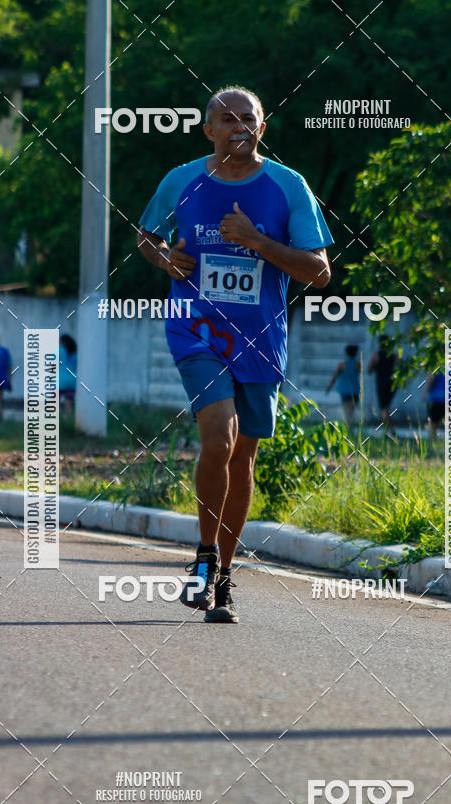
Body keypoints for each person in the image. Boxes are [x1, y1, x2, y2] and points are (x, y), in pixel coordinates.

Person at [137, 85, 333, 623]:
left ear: (262, 128)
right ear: (209, 130)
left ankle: (223, 576)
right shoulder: (181, 180)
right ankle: (202, 559)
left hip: (260, 337)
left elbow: (319, 272)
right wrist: (165, 260)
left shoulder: (289, 186)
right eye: (227, 119)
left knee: (243, 455)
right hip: (195, 329)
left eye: (249, 118)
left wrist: (255, 241)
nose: (239, 127)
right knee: (218, 434)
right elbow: (146, 238)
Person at [326, 345, 360, 428]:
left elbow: (334, 377)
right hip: (355, 390)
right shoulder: (358, 364)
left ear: (346, 353)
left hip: (344, 391)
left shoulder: (341, 365)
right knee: (351, 412)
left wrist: (329, 387)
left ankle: (348, 429)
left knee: (347, 412)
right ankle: (350, 428)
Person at [368, 336, 396, 430]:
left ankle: (389, 430)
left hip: (381, 383)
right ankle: (389, 429)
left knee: (383, 408)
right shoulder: (394, 355)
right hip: (392, 383)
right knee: (386, 407)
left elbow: (369, 370)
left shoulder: (376, 355)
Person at [59, 333, 77, 416]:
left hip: (59, 382)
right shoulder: (75, 353)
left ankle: (56, 420)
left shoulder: (59, 350)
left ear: (62, 342)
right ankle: (68, 419)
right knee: (69, 400)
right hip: (72, 383)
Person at [424, 369, 445, 438]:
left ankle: (432, 442)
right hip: (450, 398)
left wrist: (425, 393)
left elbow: (431, 379)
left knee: (433, 424)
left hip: (436, 398)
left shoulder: (434, 364)